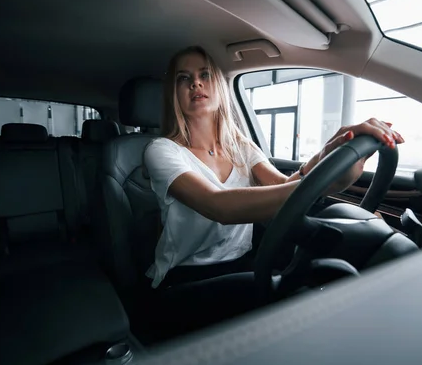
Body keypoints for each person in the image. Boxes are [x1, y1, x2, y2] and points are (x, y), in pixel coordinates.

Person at [143, 46, 404, 290]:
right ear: (174, 93)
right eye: (183, 78)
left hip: (242, 260)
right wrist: (323, 183)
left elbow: (281, 186)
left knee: (331, 276)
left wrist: (328, 153)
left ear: (219, 87)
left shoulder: (240, 145)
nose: (196, 83)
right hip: (187, 276)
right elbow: (219, 206)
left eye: (205, 74)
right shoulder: (161, 150)